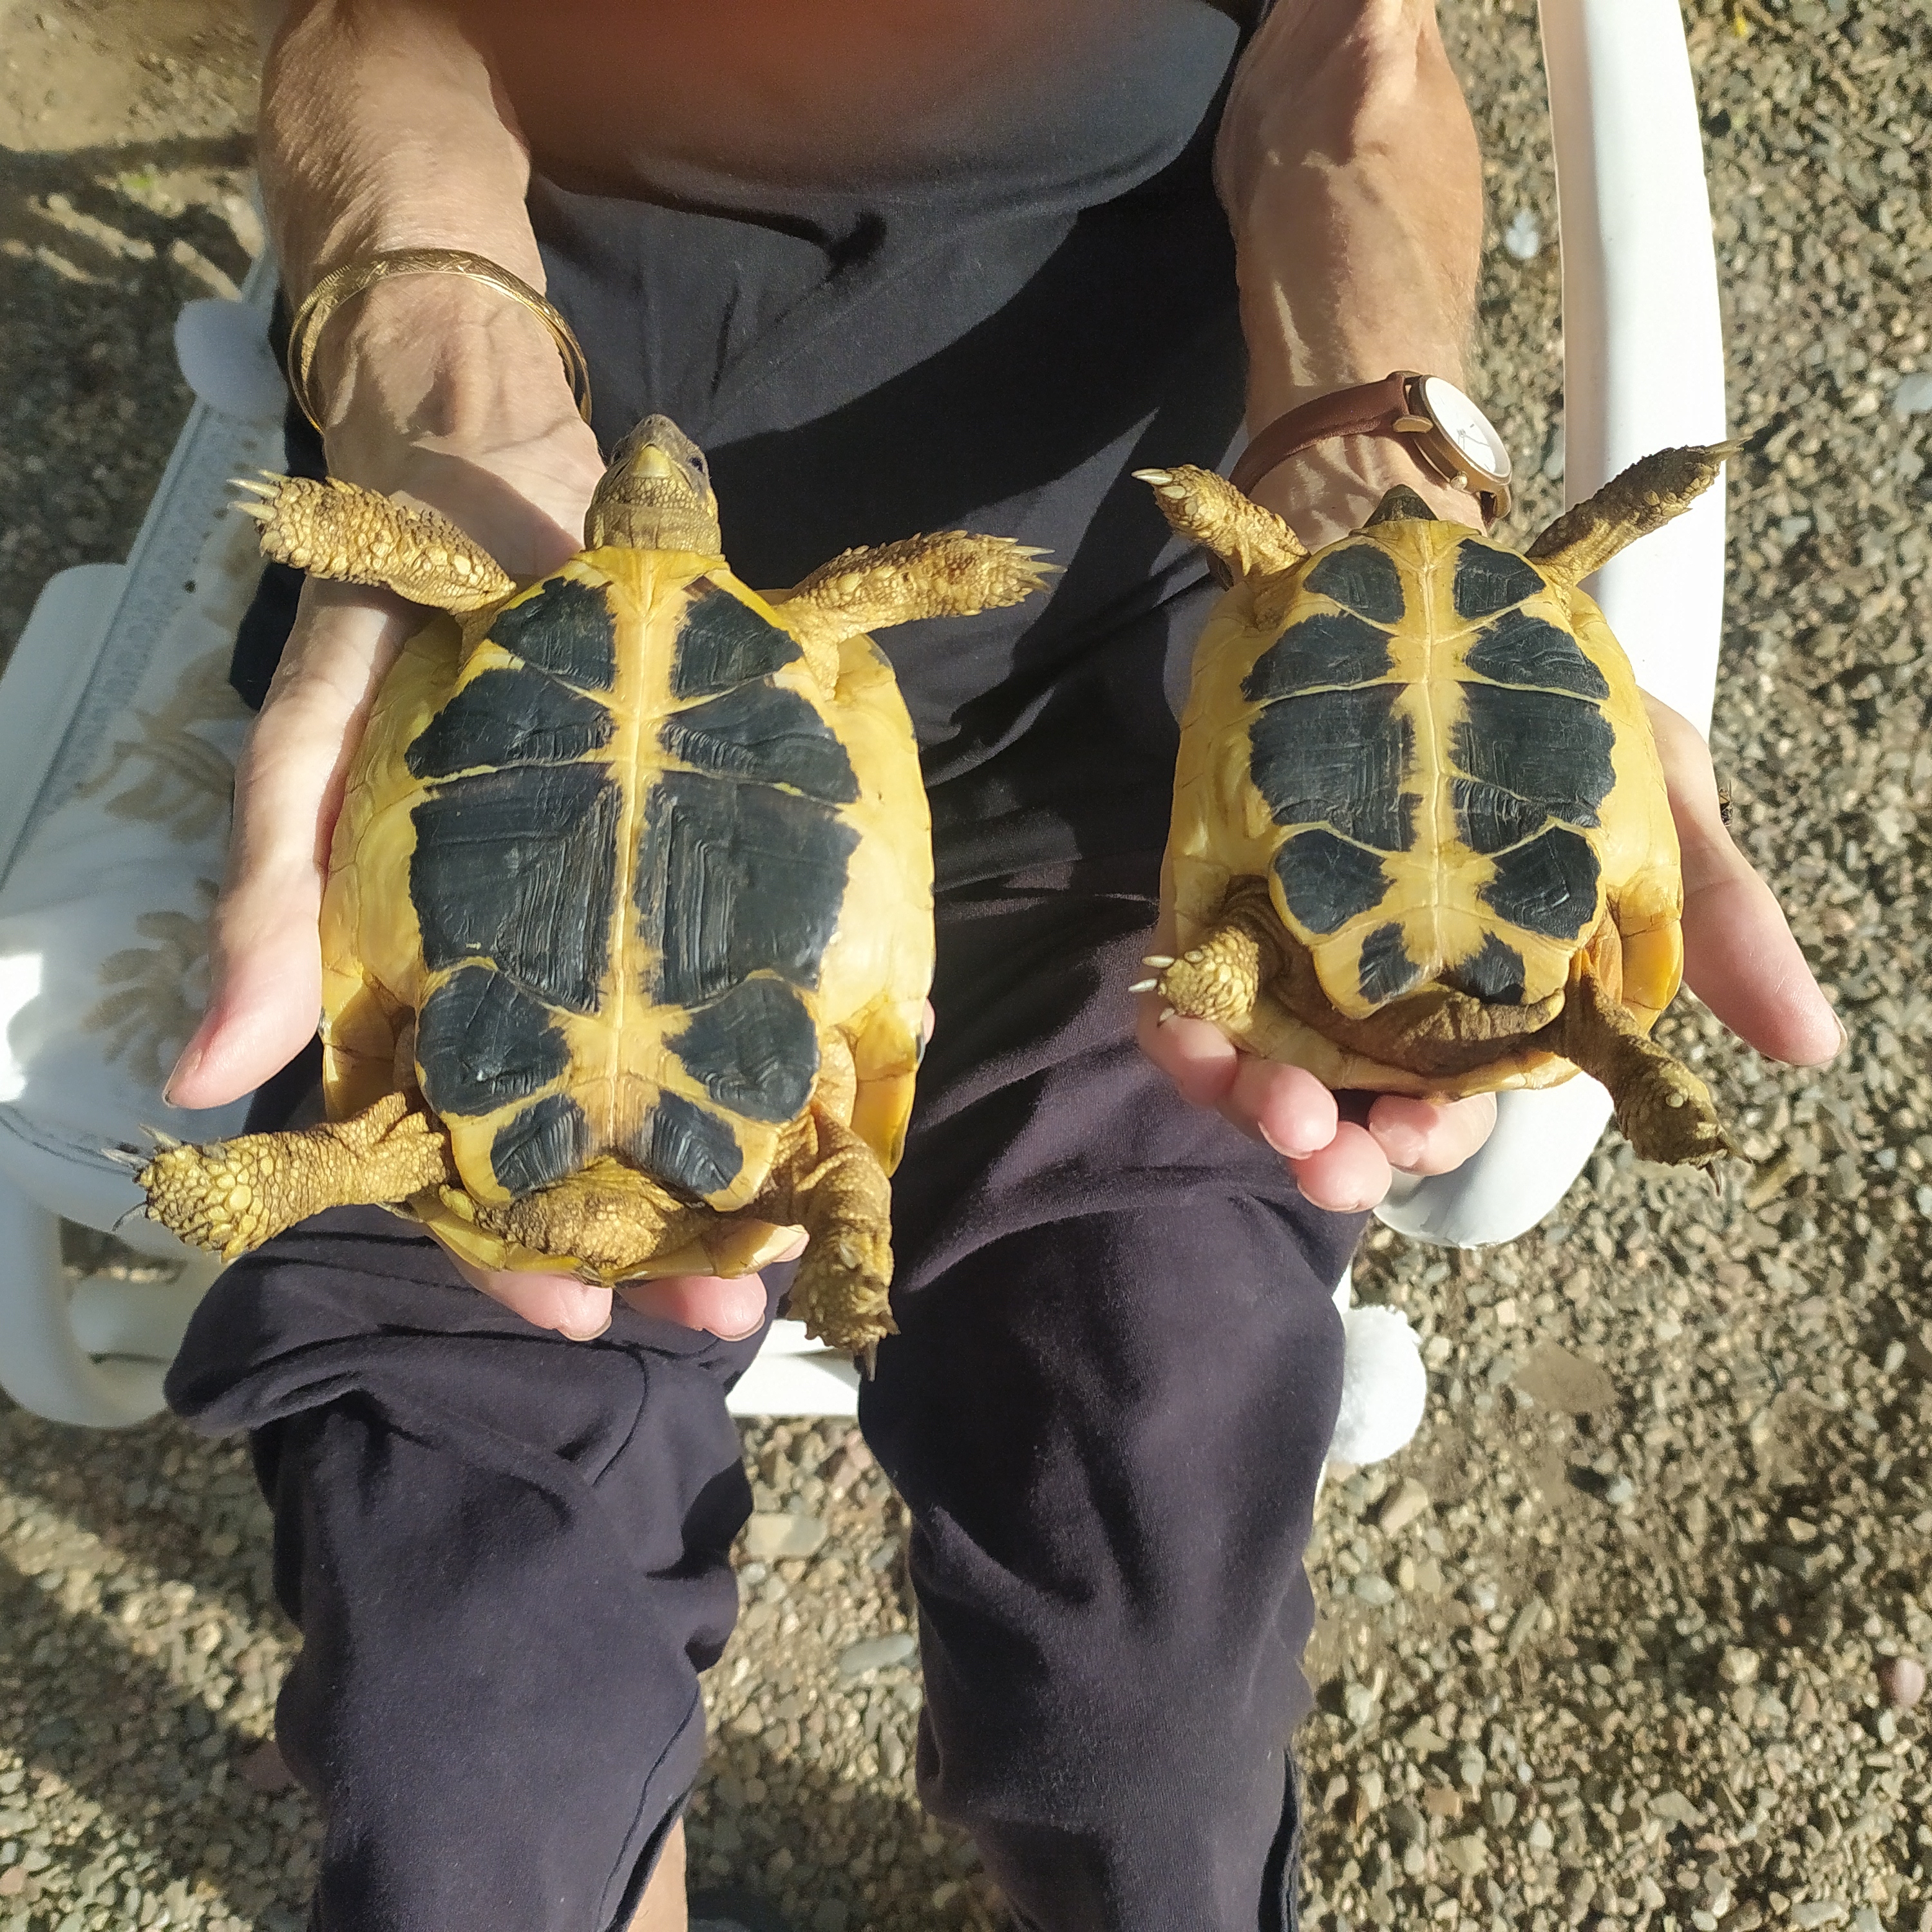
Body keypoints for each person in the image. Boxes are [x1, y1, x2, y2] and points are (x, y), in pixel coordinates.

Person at [159, 3, 1842, 1928]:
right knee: (459, 1763)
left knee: (1154, 1719)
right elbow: (369, 24)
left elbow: (1348, 56)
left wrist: (1365, 498)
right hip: (488, 591)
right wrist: (434, 398)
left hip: (1109, 757)